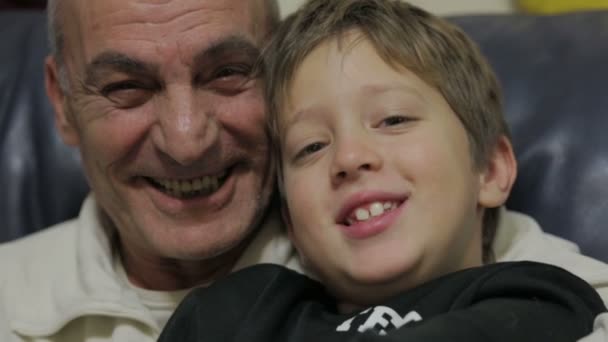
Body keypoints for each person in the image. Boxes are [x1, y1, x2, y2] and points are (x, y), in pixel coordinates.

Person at [0, 0, 607, 341]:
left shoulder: (536, 279)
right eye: (128, 86)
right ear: (61, 102)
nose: (186, 141)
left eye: (227, 72)